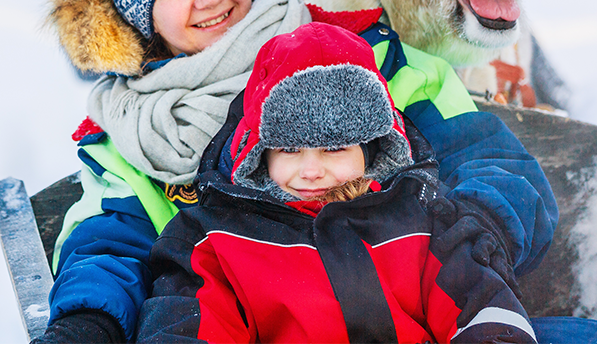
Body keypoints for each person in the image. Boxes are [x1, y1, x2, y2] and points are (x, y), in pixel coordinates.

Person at [34, 0, 559, 343]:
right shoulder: (128, 142)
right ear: (136, 14)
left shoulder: (365, 57)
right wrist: (88, 322)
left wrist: (464, 262)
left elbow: (493, 164)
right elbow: (106, 249)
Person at [135, 22, 538, 343]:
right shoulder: (217, 238)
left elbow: (479, 299)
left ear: (371, 150)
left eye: (334, 150)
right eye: (290, 151)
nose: (311, 170)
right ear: (260, 153)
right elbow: (188, 322)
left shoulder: (419, 217)